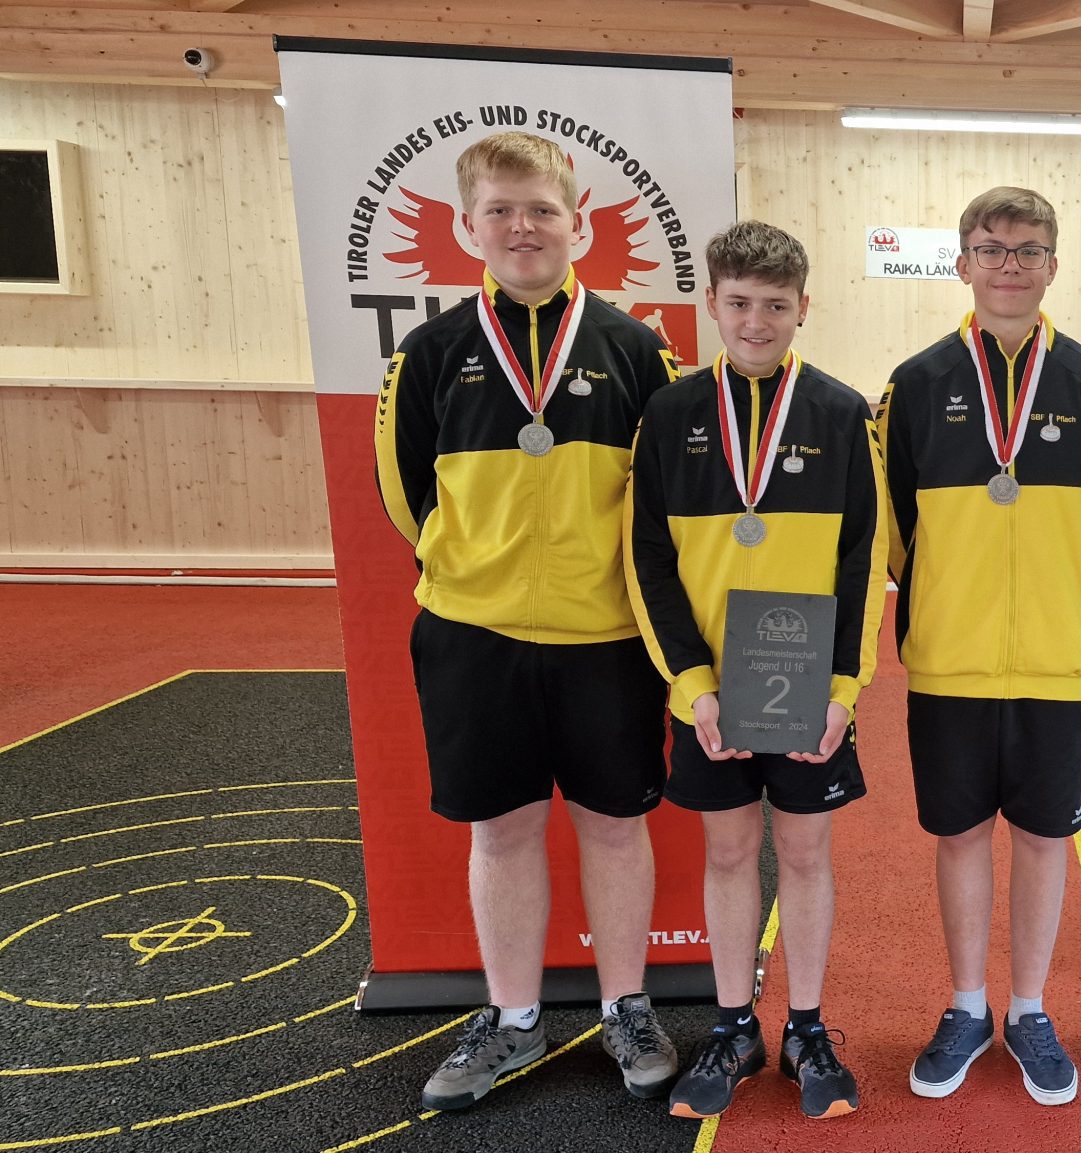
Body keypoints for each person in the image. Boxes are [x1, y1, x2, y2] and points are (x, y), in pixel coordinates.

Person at [374, 130, 681, 1110]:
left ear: (576, 223)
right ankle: (512, 1017)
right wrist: (482, 573)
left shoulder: (638, 349)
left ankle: (625, 1004)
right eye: (500, 210)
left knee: (615, 827)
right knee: (502, 830)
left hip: (607, 637)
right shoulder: (428, 353)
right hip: (476, 636)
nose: (522, 227)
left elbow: (666, 498)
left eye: (541, 208)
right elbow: (405, 495)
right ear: (467, 225)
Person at [625, 220, 888, 1121]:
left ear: (803, 306)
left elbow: (864, 559)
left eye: (776, 304)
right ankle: (734, 1026)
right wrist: (692, 686)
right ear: (712, 302)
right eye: (739, 302)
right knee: (730, 850)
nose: (756, 321)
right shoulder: (669, 414)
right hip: (709, 691)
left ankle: (806, 1029)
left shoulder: (843, 412)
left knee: (806, 853)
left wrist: (843, 689)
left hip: (809, 689)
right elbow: (647, 560)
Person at [878, 186, 1081, 1107]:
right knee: (958, 835)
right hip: (950, 654)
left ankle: (1028, 1007)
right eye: (992, 248)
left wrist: (1049, 594)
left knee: (1044, 836)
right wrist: (949, 599)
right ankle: (966, 1004)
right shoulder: (915, 383)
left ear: (1053, 265)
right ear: (963, 262)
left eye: (1028, 250)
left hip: (1054, 657)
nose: (1010, 265)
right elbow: (895, 527)